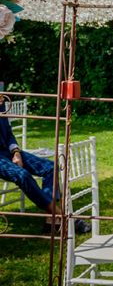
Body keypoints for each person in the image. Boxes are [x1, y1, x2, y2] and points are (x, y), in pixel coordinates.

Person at [0, 99, 90, 234]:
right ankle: (64, 218)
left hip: (8, 151)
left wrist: (16, 152)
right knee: (22, 175)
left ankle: (51, 220)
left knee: (50, 167)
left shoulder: (1, 101)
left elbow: (8, 132)